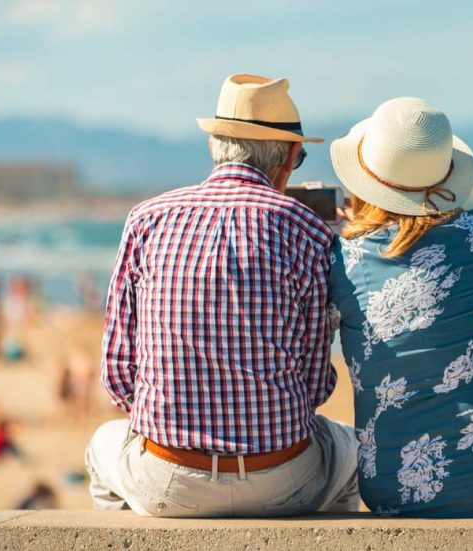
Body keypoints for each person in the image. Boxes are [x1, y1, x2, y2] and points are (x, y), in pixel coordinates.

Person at [85, 73, 358, 517]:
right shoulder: (309, 232)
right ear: (290, 156)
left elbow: (118, 376)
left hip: (168, 480)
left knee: (102, 445)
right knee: (350, 452)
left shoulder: (146, 220)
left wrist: (175, 422)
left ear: (214, 144)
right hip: (282, 480)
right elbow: (315, 386)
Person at [328, 98, 473, 517]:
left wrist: (351, 229)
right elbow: (426, 237)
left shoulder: (342, 261)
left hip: (395, 487)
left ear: (365, 182)